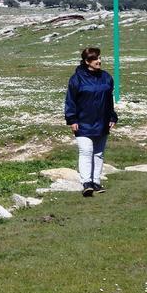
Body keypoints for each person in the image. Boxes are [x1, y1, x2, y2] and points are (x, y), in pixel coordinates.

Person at [64, 46, 118, 197]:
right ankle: (86, 182)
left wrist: (112, 116)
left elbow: (109, 100)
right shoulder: (76, 79)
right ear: (87, 61)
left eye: (100, 58)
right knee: (86, 151)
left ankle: (96, 182)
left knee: (99, 153)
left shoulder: (106, 77)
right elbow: (70, 101)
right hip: (83, 122)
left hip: (102, 120)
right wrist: (72, 119)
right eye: (95, 59)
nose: (99, 61)